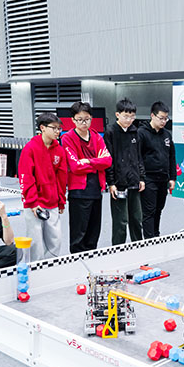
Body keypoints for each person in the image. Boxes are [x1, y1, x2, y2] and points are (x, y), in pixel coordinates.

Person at [61, 101, 112, 253]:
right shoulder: (67, 138)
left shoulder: (97, 137)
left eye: (87, 119)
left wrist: (88, 161)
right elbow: (75, 166)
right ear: (73, 120)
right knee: (79, 233)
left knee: (93, 232)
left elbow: (108, 161)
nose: (84, 123)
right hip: (79, 192)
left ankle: (92, 259)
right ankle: (77, 261)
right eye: (80, 119)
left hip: (96, 190)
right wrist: (97, 163)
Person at [18, 112, 67, 260]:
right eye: (54, 128)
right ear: (42, 128)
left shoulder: (59, 150)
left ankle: (51, 266)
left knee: (55, 239)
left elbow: (61, 178)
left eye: (59, 129)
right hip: (34, 203)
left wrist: (61, 201)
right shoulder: (30, 148)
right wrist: (32, 202)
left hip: (52, 201)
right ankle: (35, 268)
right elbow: (26, 177)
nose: (57, 132)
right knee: (36, 241)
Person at [104, 97, 145, 245]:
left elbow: (139, 157)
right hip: (119, 183)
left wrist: (141, 178)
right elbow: (108, 159)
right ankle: (117, 250)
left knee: (136, 219)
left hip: (134, 181)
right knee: (121, 221)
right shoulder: (110, 132)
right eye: (126, 116)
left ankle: (138, 247)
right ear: (117, 115)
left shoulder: (135, 131)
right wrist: (111, 183)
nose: (129, 120)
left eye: (132, 117)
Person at [138, 101, 176, 238]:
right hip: (148, 178)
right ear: (152, 116)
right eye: (161, 118)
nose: (164, 121)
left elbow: (171, 157)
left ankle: (156, 235)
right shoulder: (141, 133)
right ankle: (149, 240)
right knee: (149, 210)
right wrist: (141, 178)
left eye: (166, 118)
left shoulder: (167, 135)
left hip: (163, 178)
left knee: (159, 209)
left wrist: (173, 177)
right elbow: (138, 157)